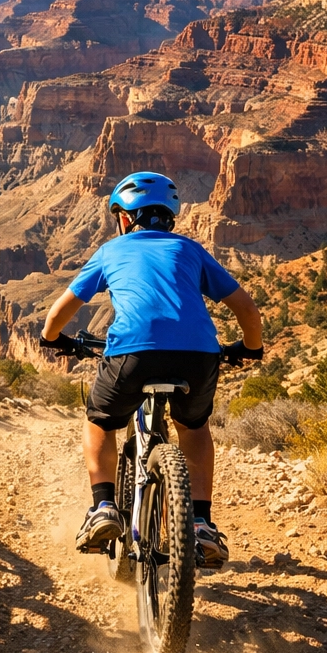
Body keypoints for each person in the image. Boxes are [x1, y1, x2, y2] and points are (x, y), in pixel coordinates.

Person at [39, 171, 264, 568]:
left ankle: (103, 507)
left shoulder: (111, 251)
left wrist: (54, 338)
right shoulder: (191, 250)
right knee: (193, 430)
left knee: (100, 421)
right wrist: (249, 349)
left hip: (133, 353)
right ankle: (201, 524)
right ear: (169, 216)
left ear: (125, 218)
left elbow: (61, 311)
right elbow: (247, 309)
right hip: (199, 356)